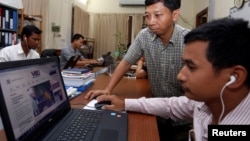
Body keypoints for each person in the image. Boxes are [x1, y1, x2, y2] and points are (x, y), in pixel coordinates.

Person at [95, 17, 250, 141]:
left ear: (234, 77)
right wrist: (124, 103)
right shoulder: (203, 102)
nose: (180, 76)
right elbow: (170, 105)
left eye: (192, 66)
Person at [85, 0, 191, 140]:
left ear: (175, 15)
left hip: (184, 117)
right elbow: (126, 62)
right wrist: (108, 89)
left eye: (157, 15)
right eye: (147, 16)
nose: (150, 21)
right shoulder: (144, 36)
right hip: (156, 111)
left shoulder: (190, 39)